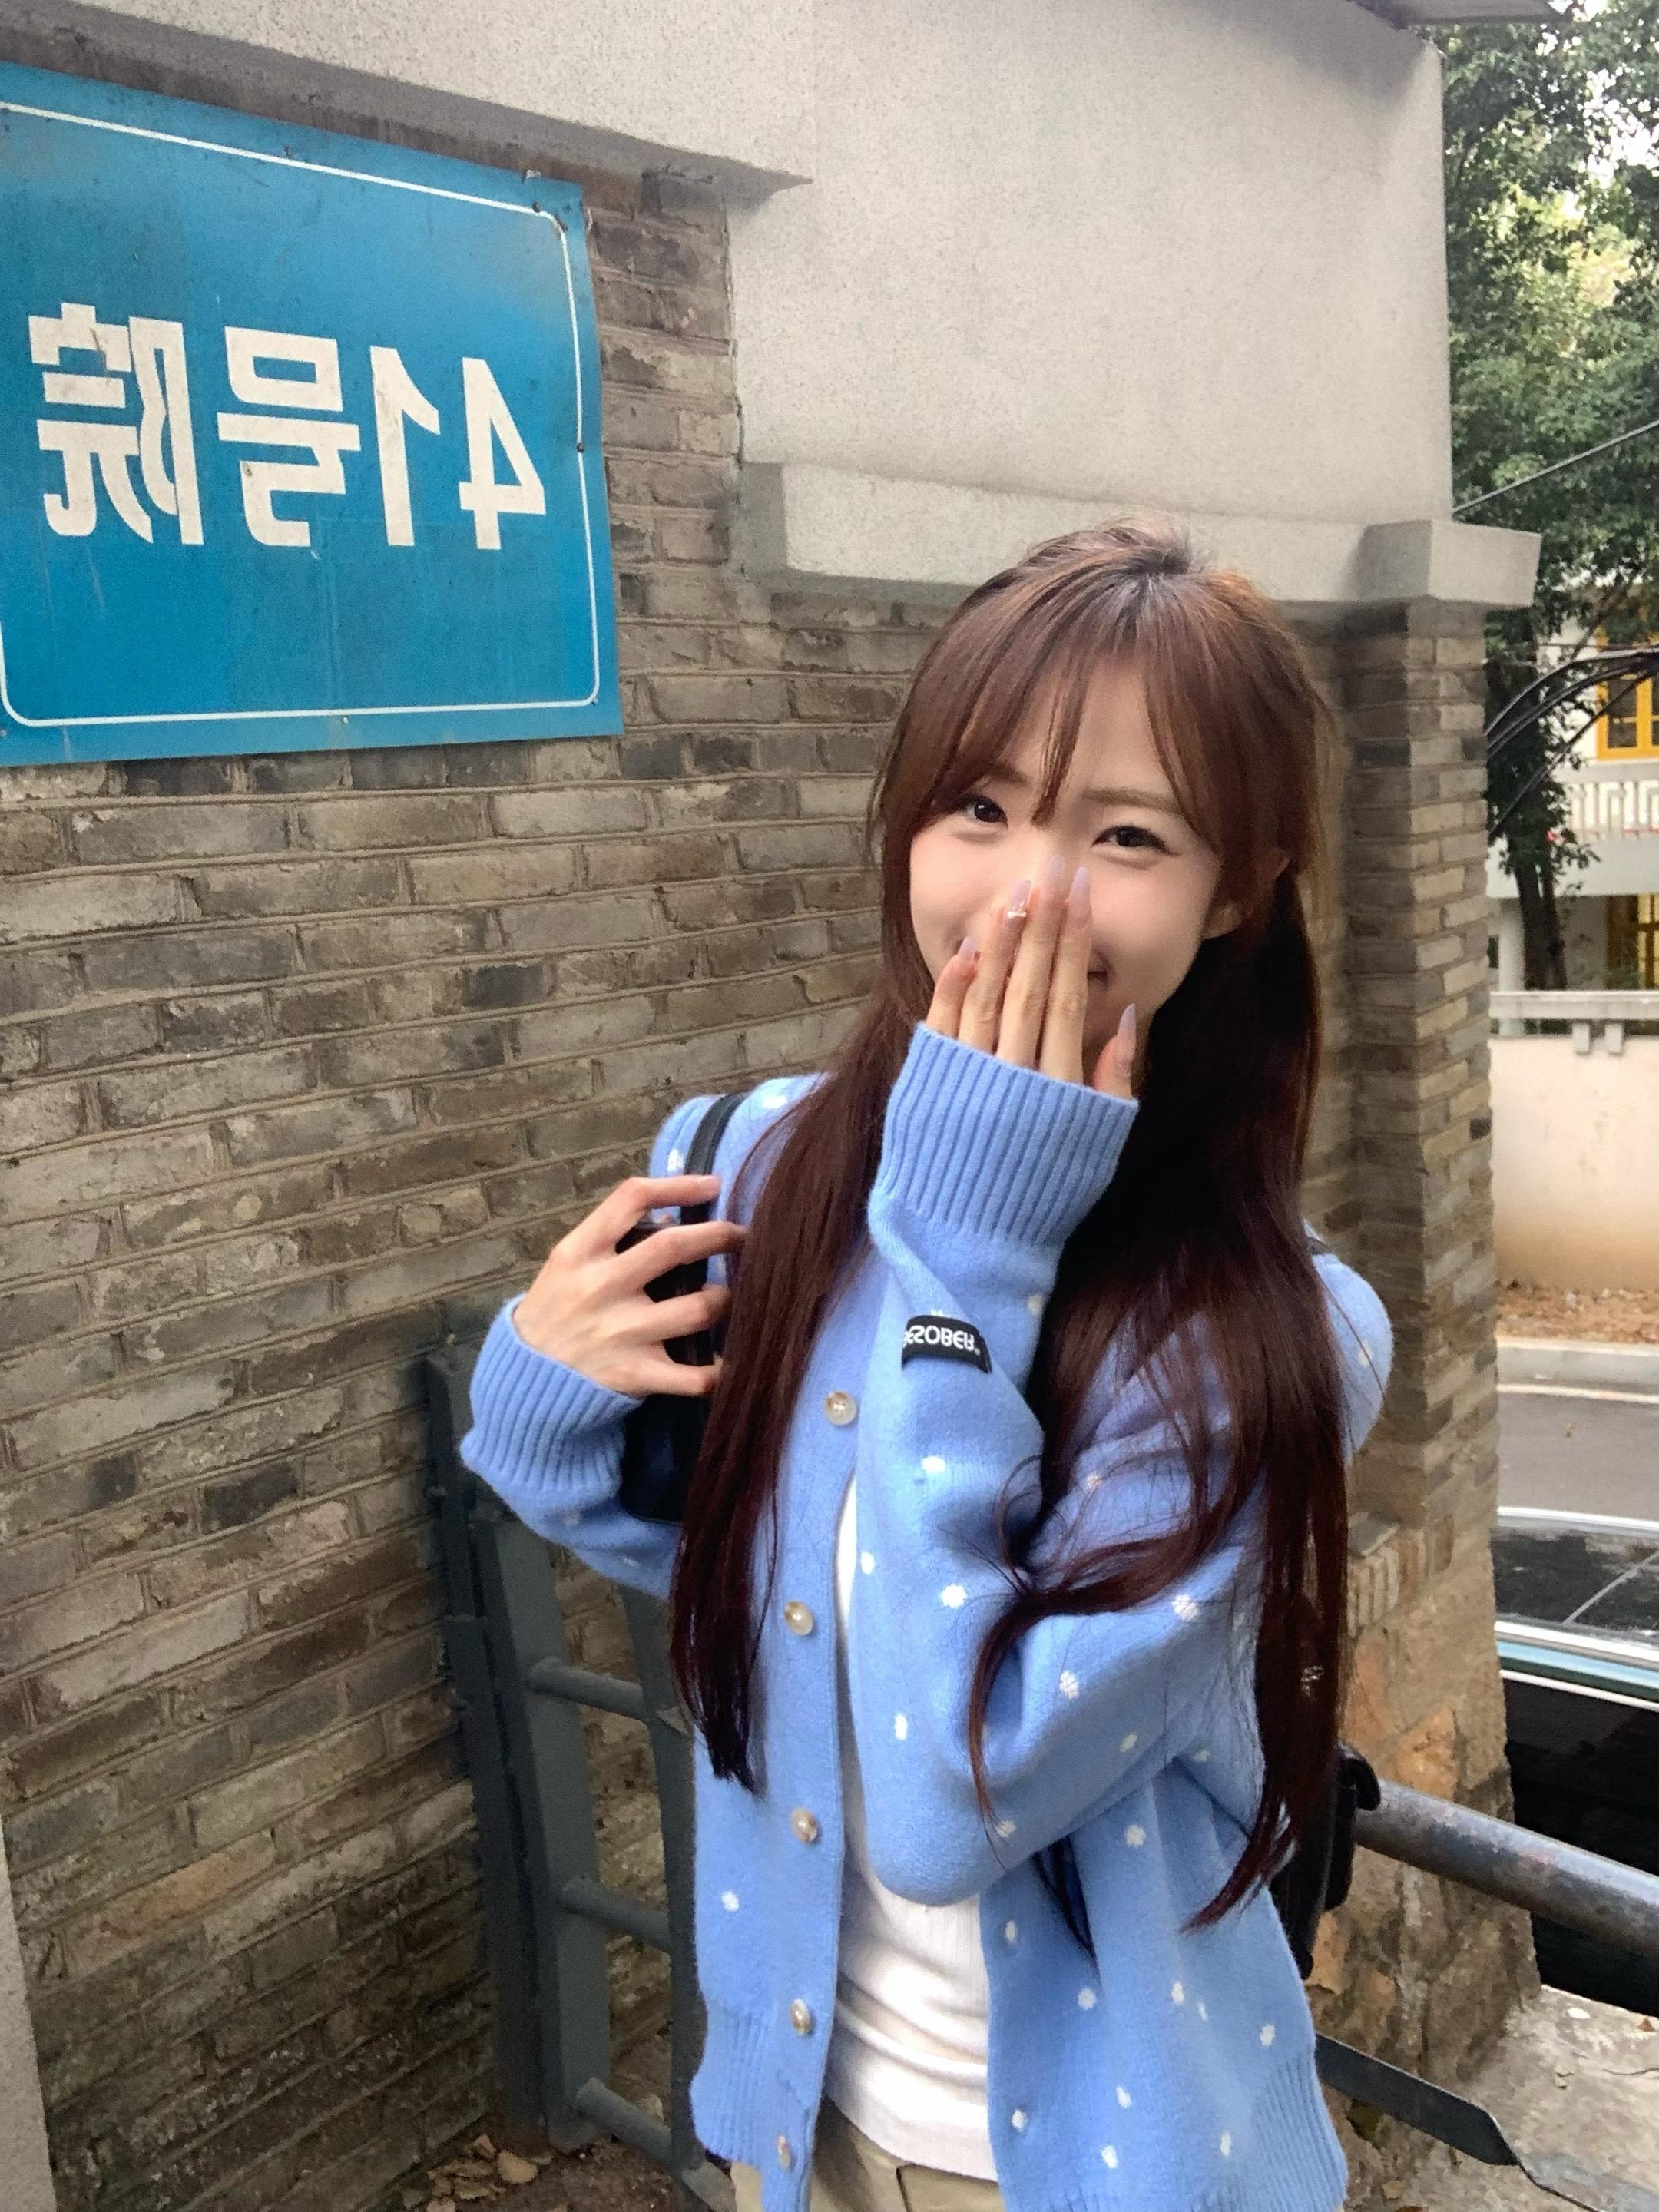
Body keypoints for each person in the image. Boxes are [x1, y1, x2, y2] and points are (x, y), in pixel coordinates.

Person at [461, 521, 1393, 2212]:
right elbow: (775, 1591)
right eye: (979, 806)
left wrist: (971, 1253)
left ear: (1239, 887)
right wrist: (540, 1397)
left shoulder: (1274, 1336)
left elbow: (954, 1797)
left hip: (1089, 2170)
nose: (1028, 892)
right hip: (798, 2119)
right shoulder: (762, 1165)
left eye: (1126, 833)